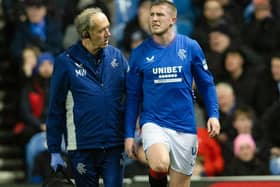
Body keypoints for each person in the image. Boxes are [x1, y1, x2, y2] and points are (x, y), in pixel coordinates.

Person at [124, 1, 221, 187]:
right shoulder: (139, 53)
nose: (154, 19)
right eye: (151, 14)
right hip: (154, 121)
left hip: (184, 125)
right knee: (160, 164)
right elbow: (133, 96)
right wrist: (129, 134)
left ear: (173, 19)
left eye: (159, 15)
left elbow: (206, 84)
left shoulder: (190, 47)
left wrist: (214, 115)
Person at [46, 8, 128, 187]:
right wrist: (54, 150)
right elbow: (55, 108)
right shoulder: (65, 62)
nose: (108, 33)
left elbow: (132, 94)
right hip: (82, 146)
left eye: (108, 27)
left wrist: (131, 133)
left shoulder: (117, 57)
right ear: (85, 34)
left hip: (114, 144)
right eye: (101, 30)